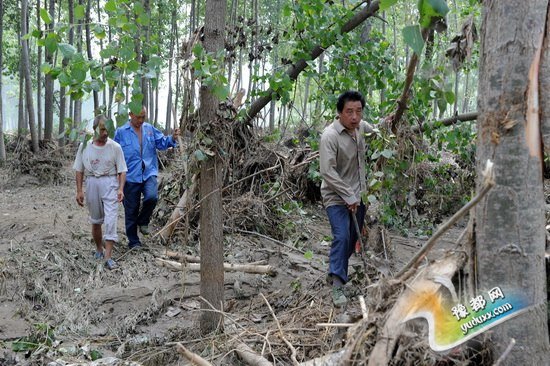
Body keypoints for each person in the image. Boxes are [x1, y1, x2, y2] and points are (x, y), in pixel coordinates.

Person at [319, 90, 373, 307]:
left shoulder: (361, 128)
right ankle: (338, 285)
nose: (354, 117)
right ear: (339, 112)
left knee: (351, 240)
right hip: (335, 196)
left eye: (358, 111)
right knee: (341, 236)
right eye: (349, 112)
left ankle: (335, 271)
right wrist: (348, 195)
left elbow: (377, 132)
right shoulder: (330, 136)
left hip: (358, 196)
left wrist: (388, 124)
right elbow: (327, 172)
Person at [114, 106, 180, 249]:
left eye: (143, 117)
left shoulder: (149, 129)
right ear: (130, 114)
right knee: (131, 210)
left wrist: (173, 138)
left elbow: (162, 142)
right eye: (138, 117)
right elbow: (114, 155)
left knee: (152, 197)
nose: (141, 120)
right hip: (130, 175)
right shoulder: (120, 132)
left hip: (148, 172)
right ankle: (133, 241)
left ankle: (143, 221)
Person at [74, 115, 127, 270]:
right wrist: (79, 191)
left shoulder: (115, 147)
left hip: (110, 182)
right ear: (95, 129)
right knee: (96, 220)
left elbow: (122, 170)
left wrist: (121, 189)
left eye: (107, 129)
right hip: (92, 182)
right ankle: (98, 248)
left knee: (111, 219)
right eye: (102, 129)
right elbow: (79, 169)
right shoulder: (85, 147)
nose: (105, 133)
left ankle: (108, 256)